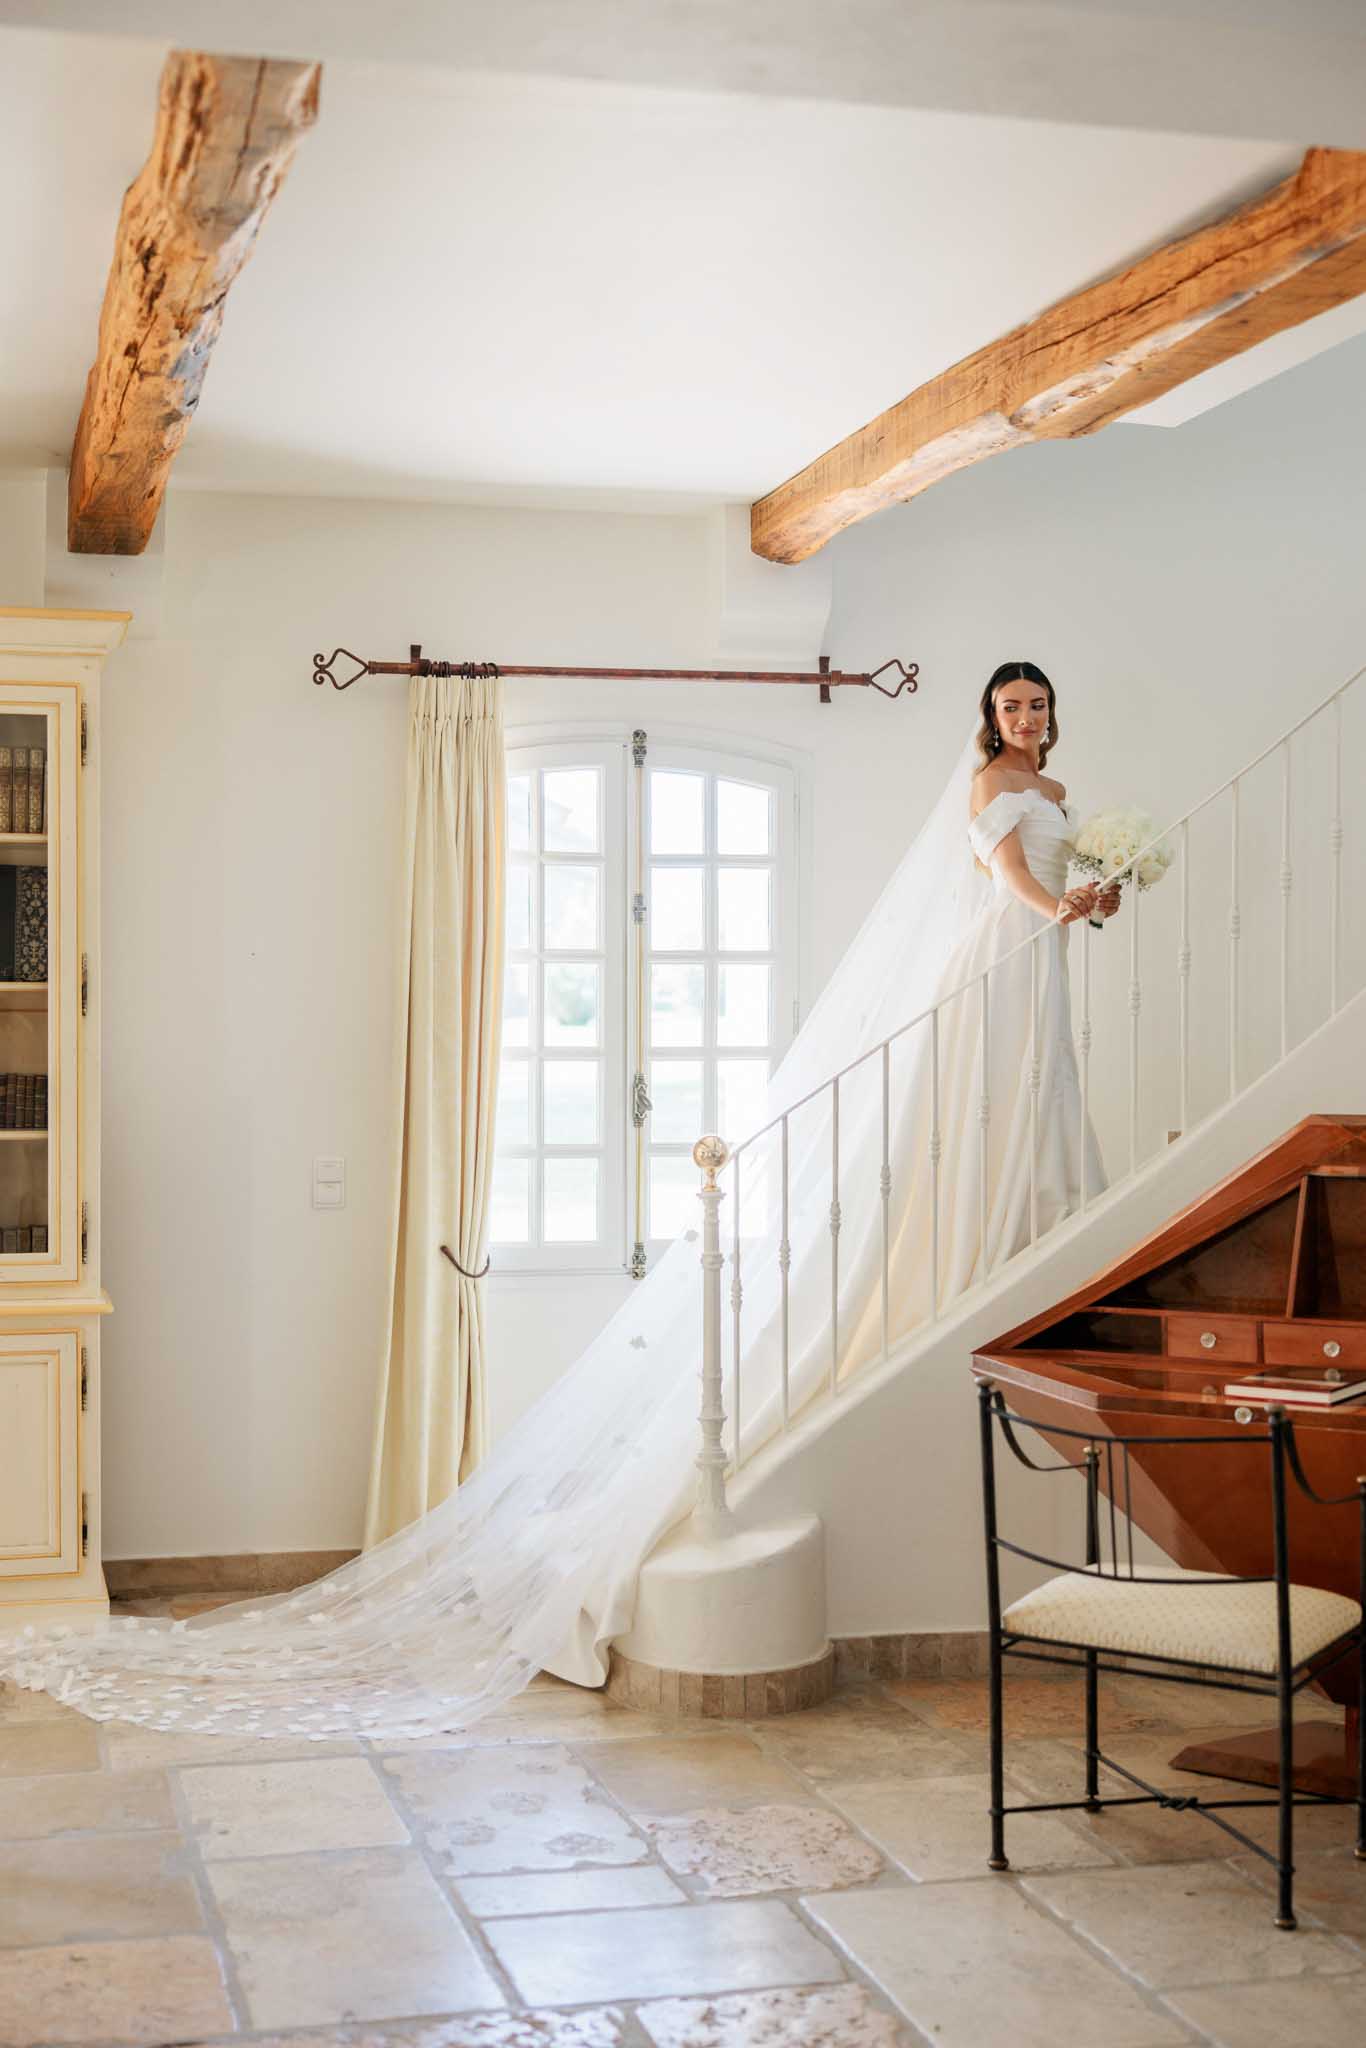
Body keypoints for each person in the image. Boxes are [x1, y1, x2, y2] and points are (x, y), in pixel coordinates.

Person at [0, 661, 1120, 1741]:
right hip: (1011, 944)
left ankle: (1013, 1225)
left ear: (1054, 714)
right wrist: (1060, 903)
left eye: (1036, 703)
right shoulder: (990, 789)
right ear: (990, 719)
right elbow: (1011, 882)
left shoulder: (1059, 790)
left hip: (1043, 947)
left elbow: (1051, 882)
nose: (1024, 716)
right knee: (987, 1085)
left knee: (1037, 1089)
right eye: (1008, 703)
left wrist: (1091, 898)